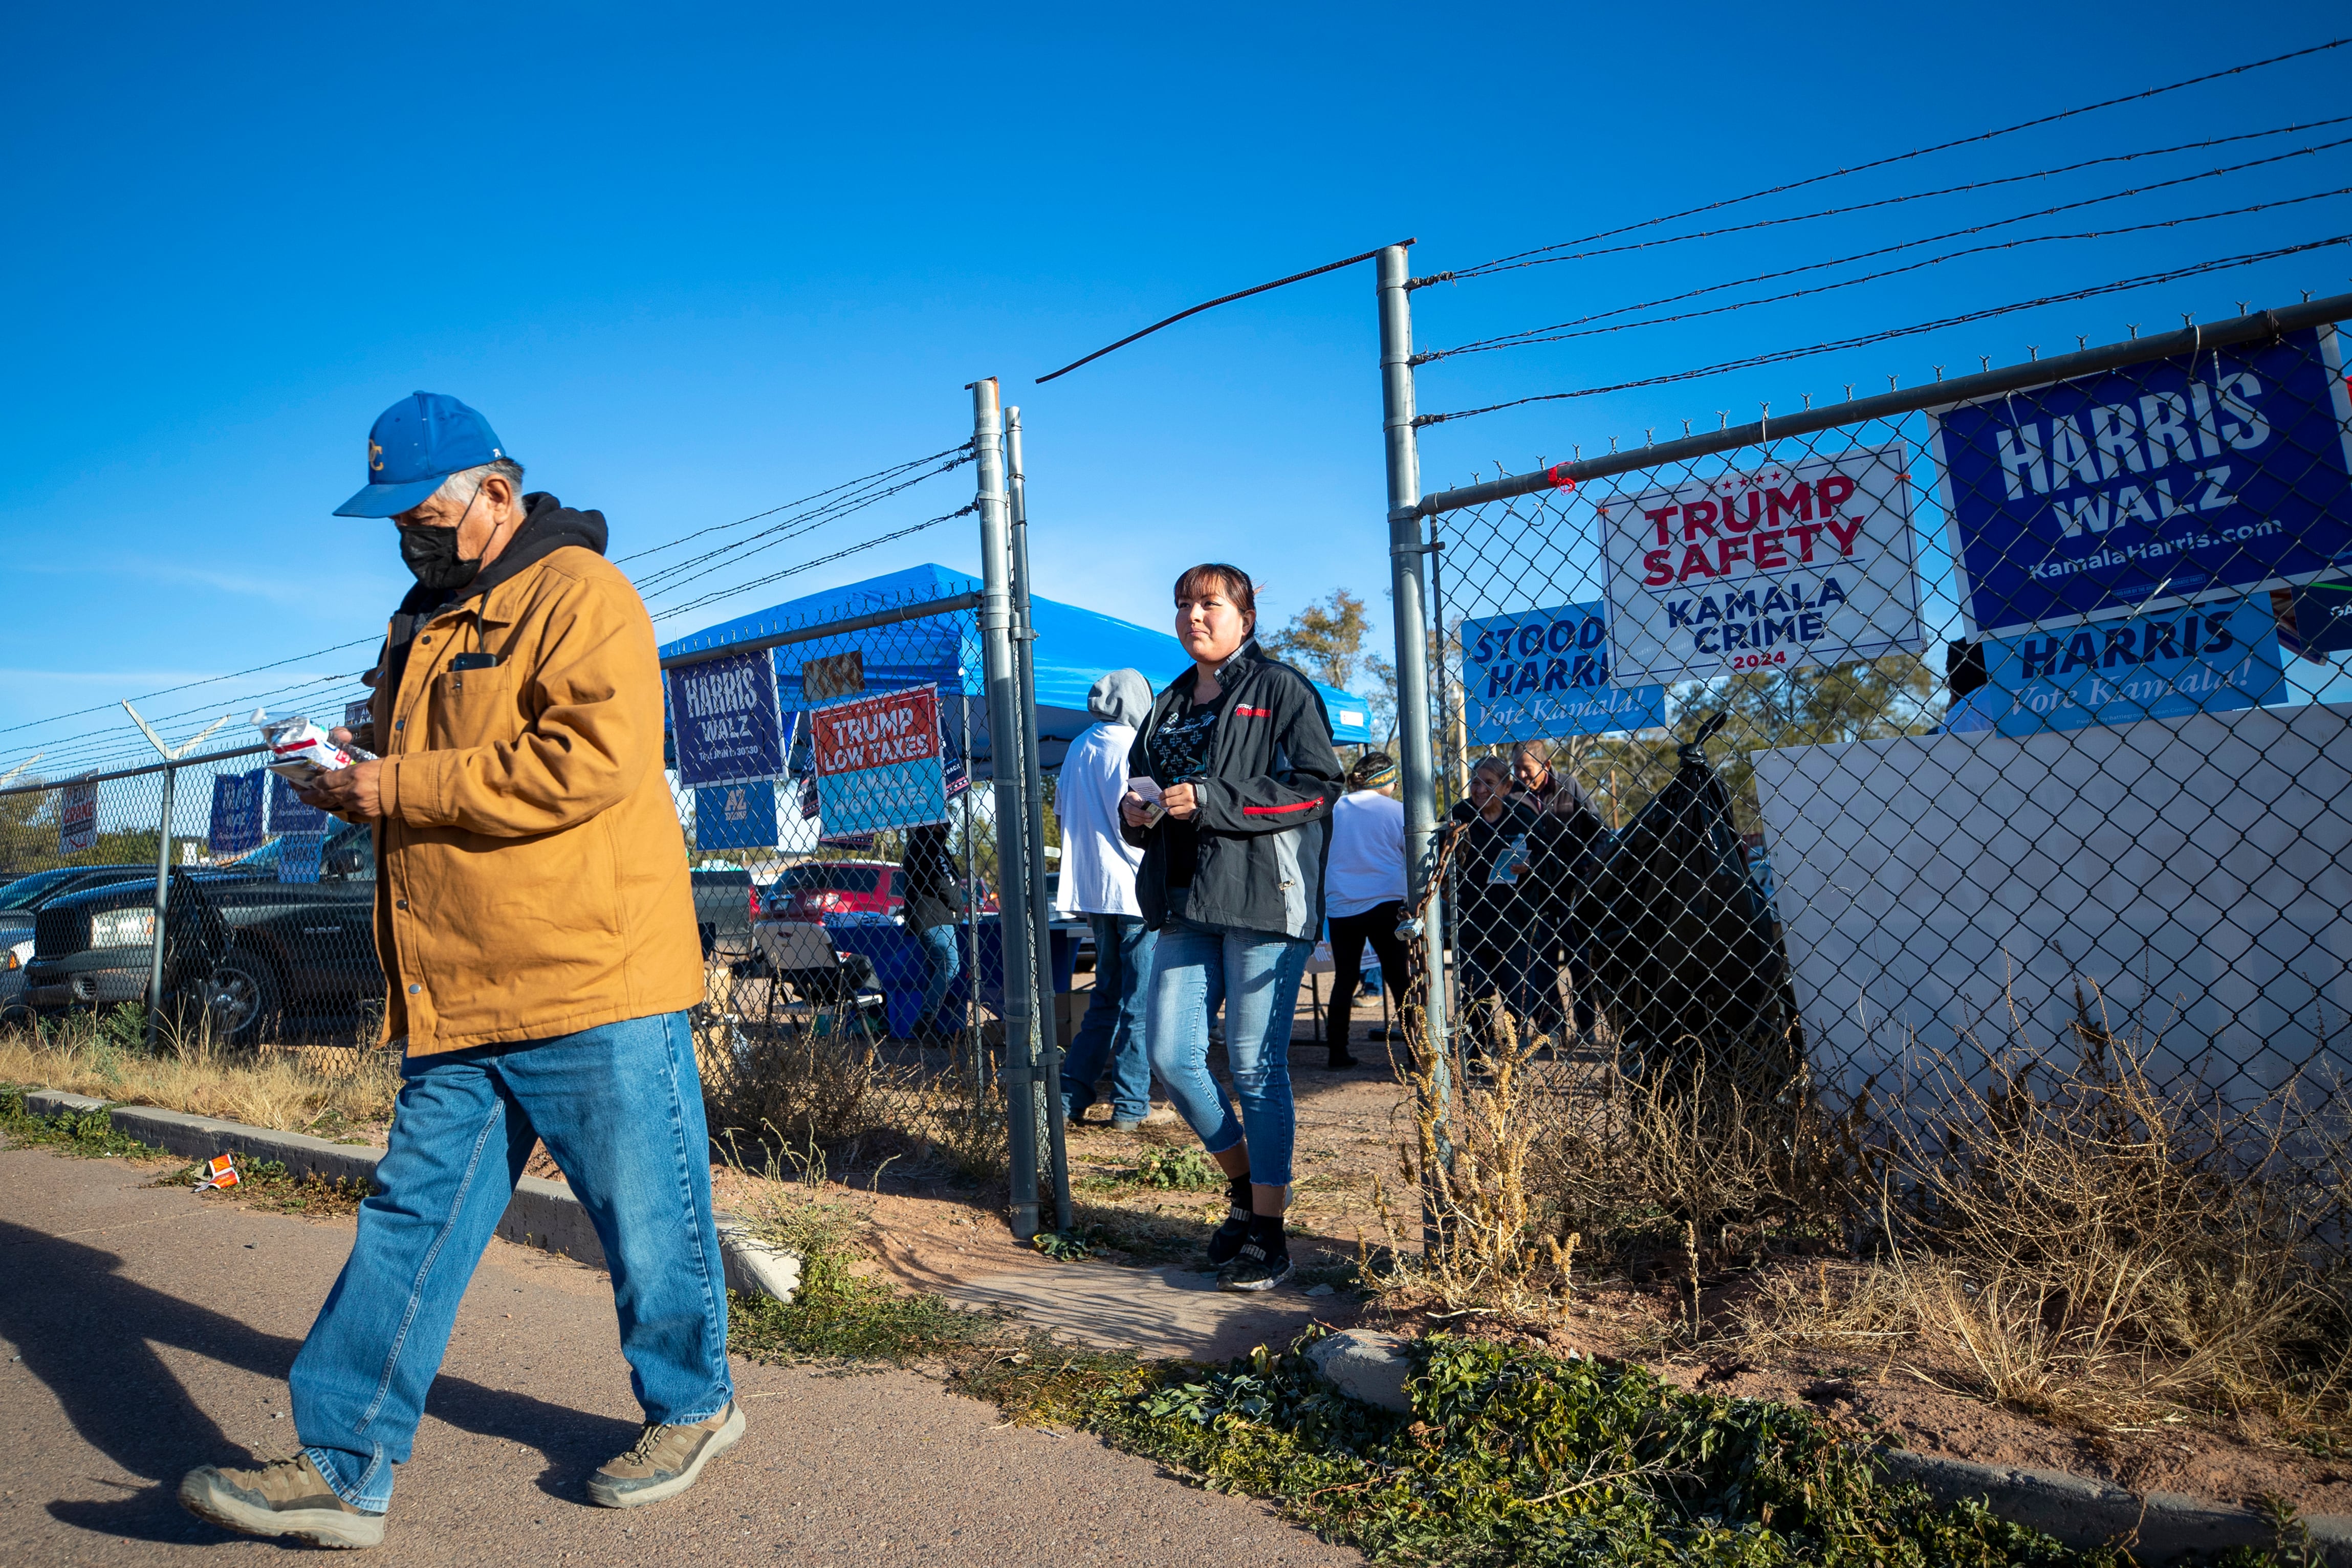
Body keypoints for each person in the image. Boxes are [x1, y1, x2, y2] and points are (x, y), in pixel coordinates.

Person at [177, 394, 735, 1549]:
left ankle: (694, 1403)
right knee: (407, 1220)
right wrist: (351, 773)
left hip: (590, 973)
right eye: (392, 514)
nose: (407, 532)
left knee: (648, 1221)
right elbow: (424, 767)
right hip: (458, 985)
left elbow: (588, 760)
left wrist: (398, 786)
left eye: (423, 507)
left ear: (495, 485)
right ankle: (343, 1465)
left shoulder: (580, 592)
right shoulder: (422, 616)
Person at [1122, 563, 1342, 1292]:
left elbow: (1317, 788)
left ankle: (1270, 1236)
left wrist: (1214, 798)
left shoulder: (1280, 689)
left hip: (1262, 900)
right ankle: (1248, 1191)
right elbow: (1147, 790)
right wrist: (1137, 812)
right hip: (1185, 901)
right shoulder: (1168, 704)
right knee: (1172, 1058)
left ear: (1245, 616)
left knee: (1253, 1067)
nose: (1193, 615)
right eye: (1183, 603)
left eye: (1209, 604)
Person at [1054, 668, 1161, 1130]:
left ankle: (1070, 1095)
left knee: (1106, 997)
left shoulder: (1078, 747)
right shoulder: (1137, 746)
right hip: (1136, 888)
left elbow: (1062, 813)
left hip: (1094, 888)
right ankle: (1130, 1105)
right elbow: (1155, 815)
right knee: (1140, 1001)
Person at [1448, 755, 1545, 1056]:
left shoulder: (1523, 818)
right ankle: (1479, 1051)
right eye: (1475, 782)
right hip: (1471, 923)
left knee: (1517, 996)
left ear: (1506, 787)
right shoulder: (1459, 815)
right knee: (1476, 993)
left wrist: (1532, 867)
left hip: (1514, 925)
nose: (1478, 790)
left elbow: (1551, 863)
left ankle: (1515, 1053)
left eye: (1488, 783)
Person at [1511, 741, 1606, 1041]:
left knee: (1581, 959)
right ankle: (1550, 1029)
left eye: (1527, 769)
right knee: (1541, 962)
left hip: (1573, 890)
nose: (1521, 776)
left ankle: (1587, 1027)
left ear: (1547, 765)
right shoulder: (1512, 796)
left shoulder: (1570, 787)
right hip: (1534, 892)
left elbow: (1599, 832)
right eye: (1517, 769)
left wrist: (1589, 868)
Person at [1321, 751, 1410, 1069]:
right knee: (1399, 977)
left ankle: (1337, 1050)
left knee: (1345, 978)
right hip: (1387, 901)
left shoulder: (1334, 809)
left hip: (1342, 903)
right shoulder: (1399, 811)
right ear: (1386, 781)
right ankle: (1416, 1053)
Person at [900, 822, 965, 1040]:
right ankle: (926, 1021)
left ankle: (929, 1026)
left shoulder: (919, 842)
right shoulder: (930, 844)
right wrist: (959, 904)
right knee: (950, 965)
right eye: (944, 820)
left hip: (925, 916)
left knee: (935, 970)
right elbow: (943, 880)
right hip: (935, 916)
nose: (948, 825)